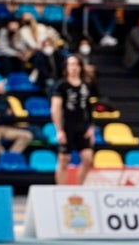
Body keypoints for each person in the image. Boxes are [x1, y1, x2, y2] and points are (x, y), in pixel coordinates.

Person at [51, 54, 95, 185]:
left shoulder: (86, 86)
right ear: (67, 67)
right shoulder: (61, 86)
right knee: (64, 160)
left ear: (80, 67)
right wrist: (59, 130)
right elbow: (55, 109)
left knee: (88, 158)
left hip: (82, 127)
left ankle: (79, 187)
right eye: (71, 64)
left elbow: (89, 108)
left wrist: (91, 127)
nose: (74, 68)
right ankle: (61, 191)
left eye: (76, 64)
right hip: (67, 126)